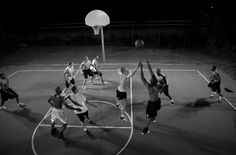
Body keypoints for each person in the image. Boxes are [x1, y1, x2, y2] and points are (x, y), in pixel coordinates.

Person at [140, 61, 161, 135]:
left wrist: (141, 68)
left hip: (152, 104)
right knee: (154, 112)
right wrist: (148, 64)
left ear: (151, 81)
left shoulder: (149, 87)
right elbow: (151, 72)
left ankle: (145, 130)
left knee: (148, 118)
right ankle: (153, 118)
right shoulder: (157, 84)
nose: (151, 78)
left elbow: (142, 78)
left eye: (151, 79)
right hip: (158, 102)